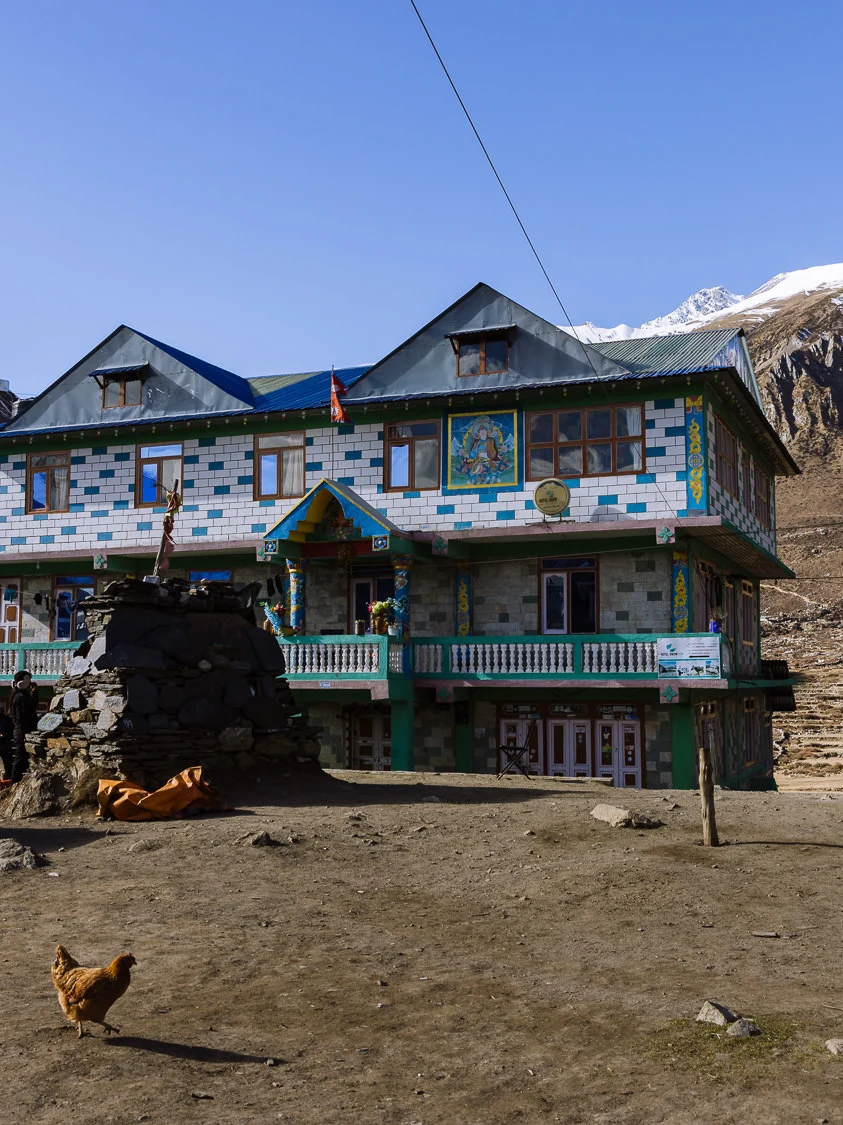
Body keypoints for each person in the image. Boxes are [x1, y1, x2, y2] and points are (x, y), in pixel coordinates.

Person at [9, 670, 38, 783]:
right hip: (22, 732)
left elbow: (32, 706)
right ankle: (14, 783)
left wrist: (34, 693)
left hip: (23, 731)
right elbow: (21, 718)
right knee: (20, 759)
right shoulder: (20, 697)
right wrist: (24, 734)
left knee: (24, 760)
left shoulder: (23, 695)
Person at [0, 705, 13, 782]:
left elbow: (10, 732)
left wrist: (3, 735)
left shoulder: (7, 720)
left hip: (5, 745)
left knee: (7, 765)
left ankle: (8, 780)